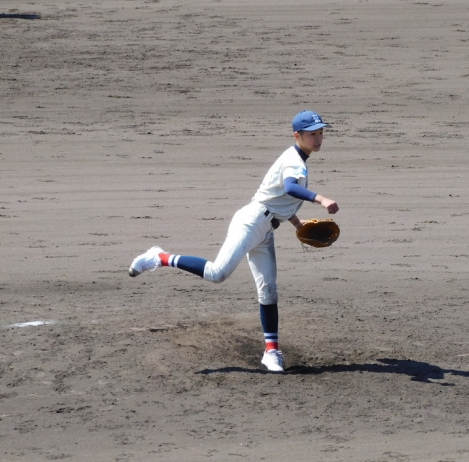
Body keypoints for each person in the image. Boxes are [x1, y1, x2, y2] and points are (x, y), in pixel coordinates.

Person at [128, 110, 339, 372]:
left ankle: (272, 352)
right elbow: (290, 188)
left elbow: (276, 198)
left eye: (321, 133)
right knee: (217, 273)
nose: (318, 138)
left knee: (268, 290)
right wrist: (321, 199)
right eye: (312, 134)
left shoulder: (296, 158)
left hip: (265, 228)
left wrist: (297, 223)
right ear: (297, 135)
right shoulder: (294, 161)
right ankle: (159, 257)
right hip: (251, 223)